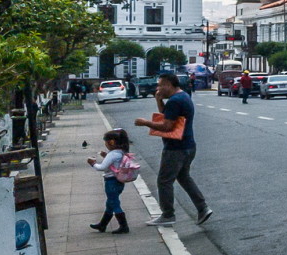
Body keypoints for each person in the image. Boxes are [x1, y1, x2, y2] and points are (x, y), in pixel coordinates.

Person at [134, 73, 211, 226]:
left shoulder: (175, 101)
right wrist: (159, 100)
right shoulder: (182, 97)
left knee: (164, 181)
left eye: (160, 85)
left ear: (169, 84)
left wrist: (145, 123)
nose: (158, 88)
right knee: (183, 177)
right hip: (188, 145)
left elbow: (167, 125)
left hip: (175, 148)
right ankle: (202, 207)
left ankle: (168, 214)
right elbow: (167, 115)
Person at [85, 128, 133, 234]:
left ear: (111, 142)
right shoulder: (121, 152)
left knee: (114, 203)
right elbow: (115, 164)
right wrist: (106, 156)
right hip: (119, 181)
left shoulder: (113, 154)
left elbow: (102, 167)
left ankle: (123, 226)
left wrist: (92, 163)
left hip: (111, 182)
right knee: (110, 203)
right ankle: (103, 224)